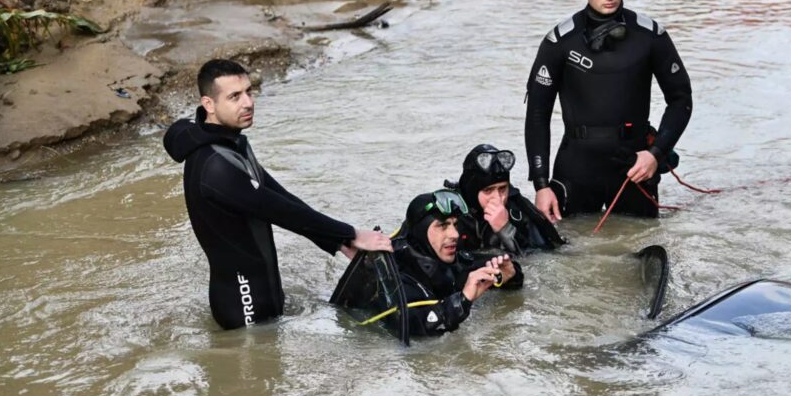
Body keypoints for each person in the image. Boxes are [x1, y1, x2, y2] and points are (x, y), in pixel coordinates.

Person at [163, 58, 391, 330]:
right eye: (234, 96)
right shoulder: (216, 168)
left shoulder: (230, 143)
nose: (247, 102)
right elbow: (279, 211)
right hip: (243, 309)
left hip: (265, 295)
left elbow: (279, 196)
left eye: (249, 91)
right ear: (209, 105)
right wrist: (351, 233)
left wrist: (336, 241)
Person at [524, 0, 693, 221]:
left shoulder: (649, 36)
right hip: (576, 168)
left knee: (641, 247)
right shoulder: (560, 42)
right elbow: (537, 115)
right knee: (570, 256)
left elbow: (681, 99)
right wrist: (541, 185)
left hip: (635, 167)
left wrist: (655, 154)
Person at [393, 189, 520, 337]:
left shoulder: (454, 262)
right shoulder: (398, 276)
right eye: (442, 225)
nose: (455, 234)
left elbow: (500, 266)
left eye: (455, 224)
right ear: (421, 232)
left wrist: (509, 275)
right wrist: (463, 299)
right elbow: (413, 328)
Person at [448, 143, 565, 255]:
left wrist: (506, 230)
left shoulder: (518, 206)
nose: (498, 198)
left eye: (503, 188)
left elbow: (547, 254)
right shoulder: (450, 213)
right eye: (488, 191)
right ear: (472, 191)